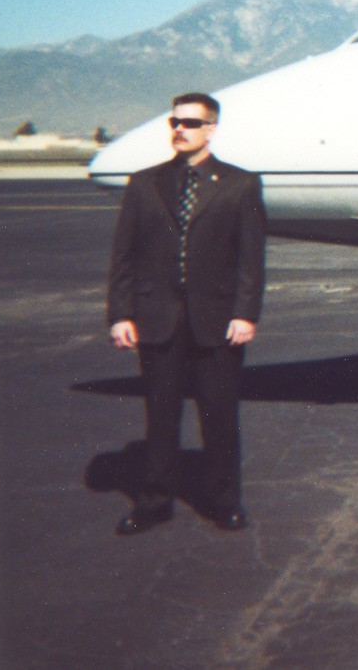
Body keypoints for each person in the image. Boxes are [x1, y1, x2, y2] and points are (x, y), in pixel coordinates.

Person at [105, 92, 265, 535]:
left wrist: (245, 312)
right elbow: (124, 256)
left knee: (218, 415)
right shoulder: (144, 184)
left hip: (217, 321)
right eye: (175, 122)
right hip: (156, 320)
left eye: (191, 123)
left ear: (211, 128)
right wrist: (120, 314)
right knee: (160, 417)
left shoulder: (240, 184)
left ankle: (225, 502)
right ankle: (154, 502)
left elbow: (251, 259)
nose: (180, 130)